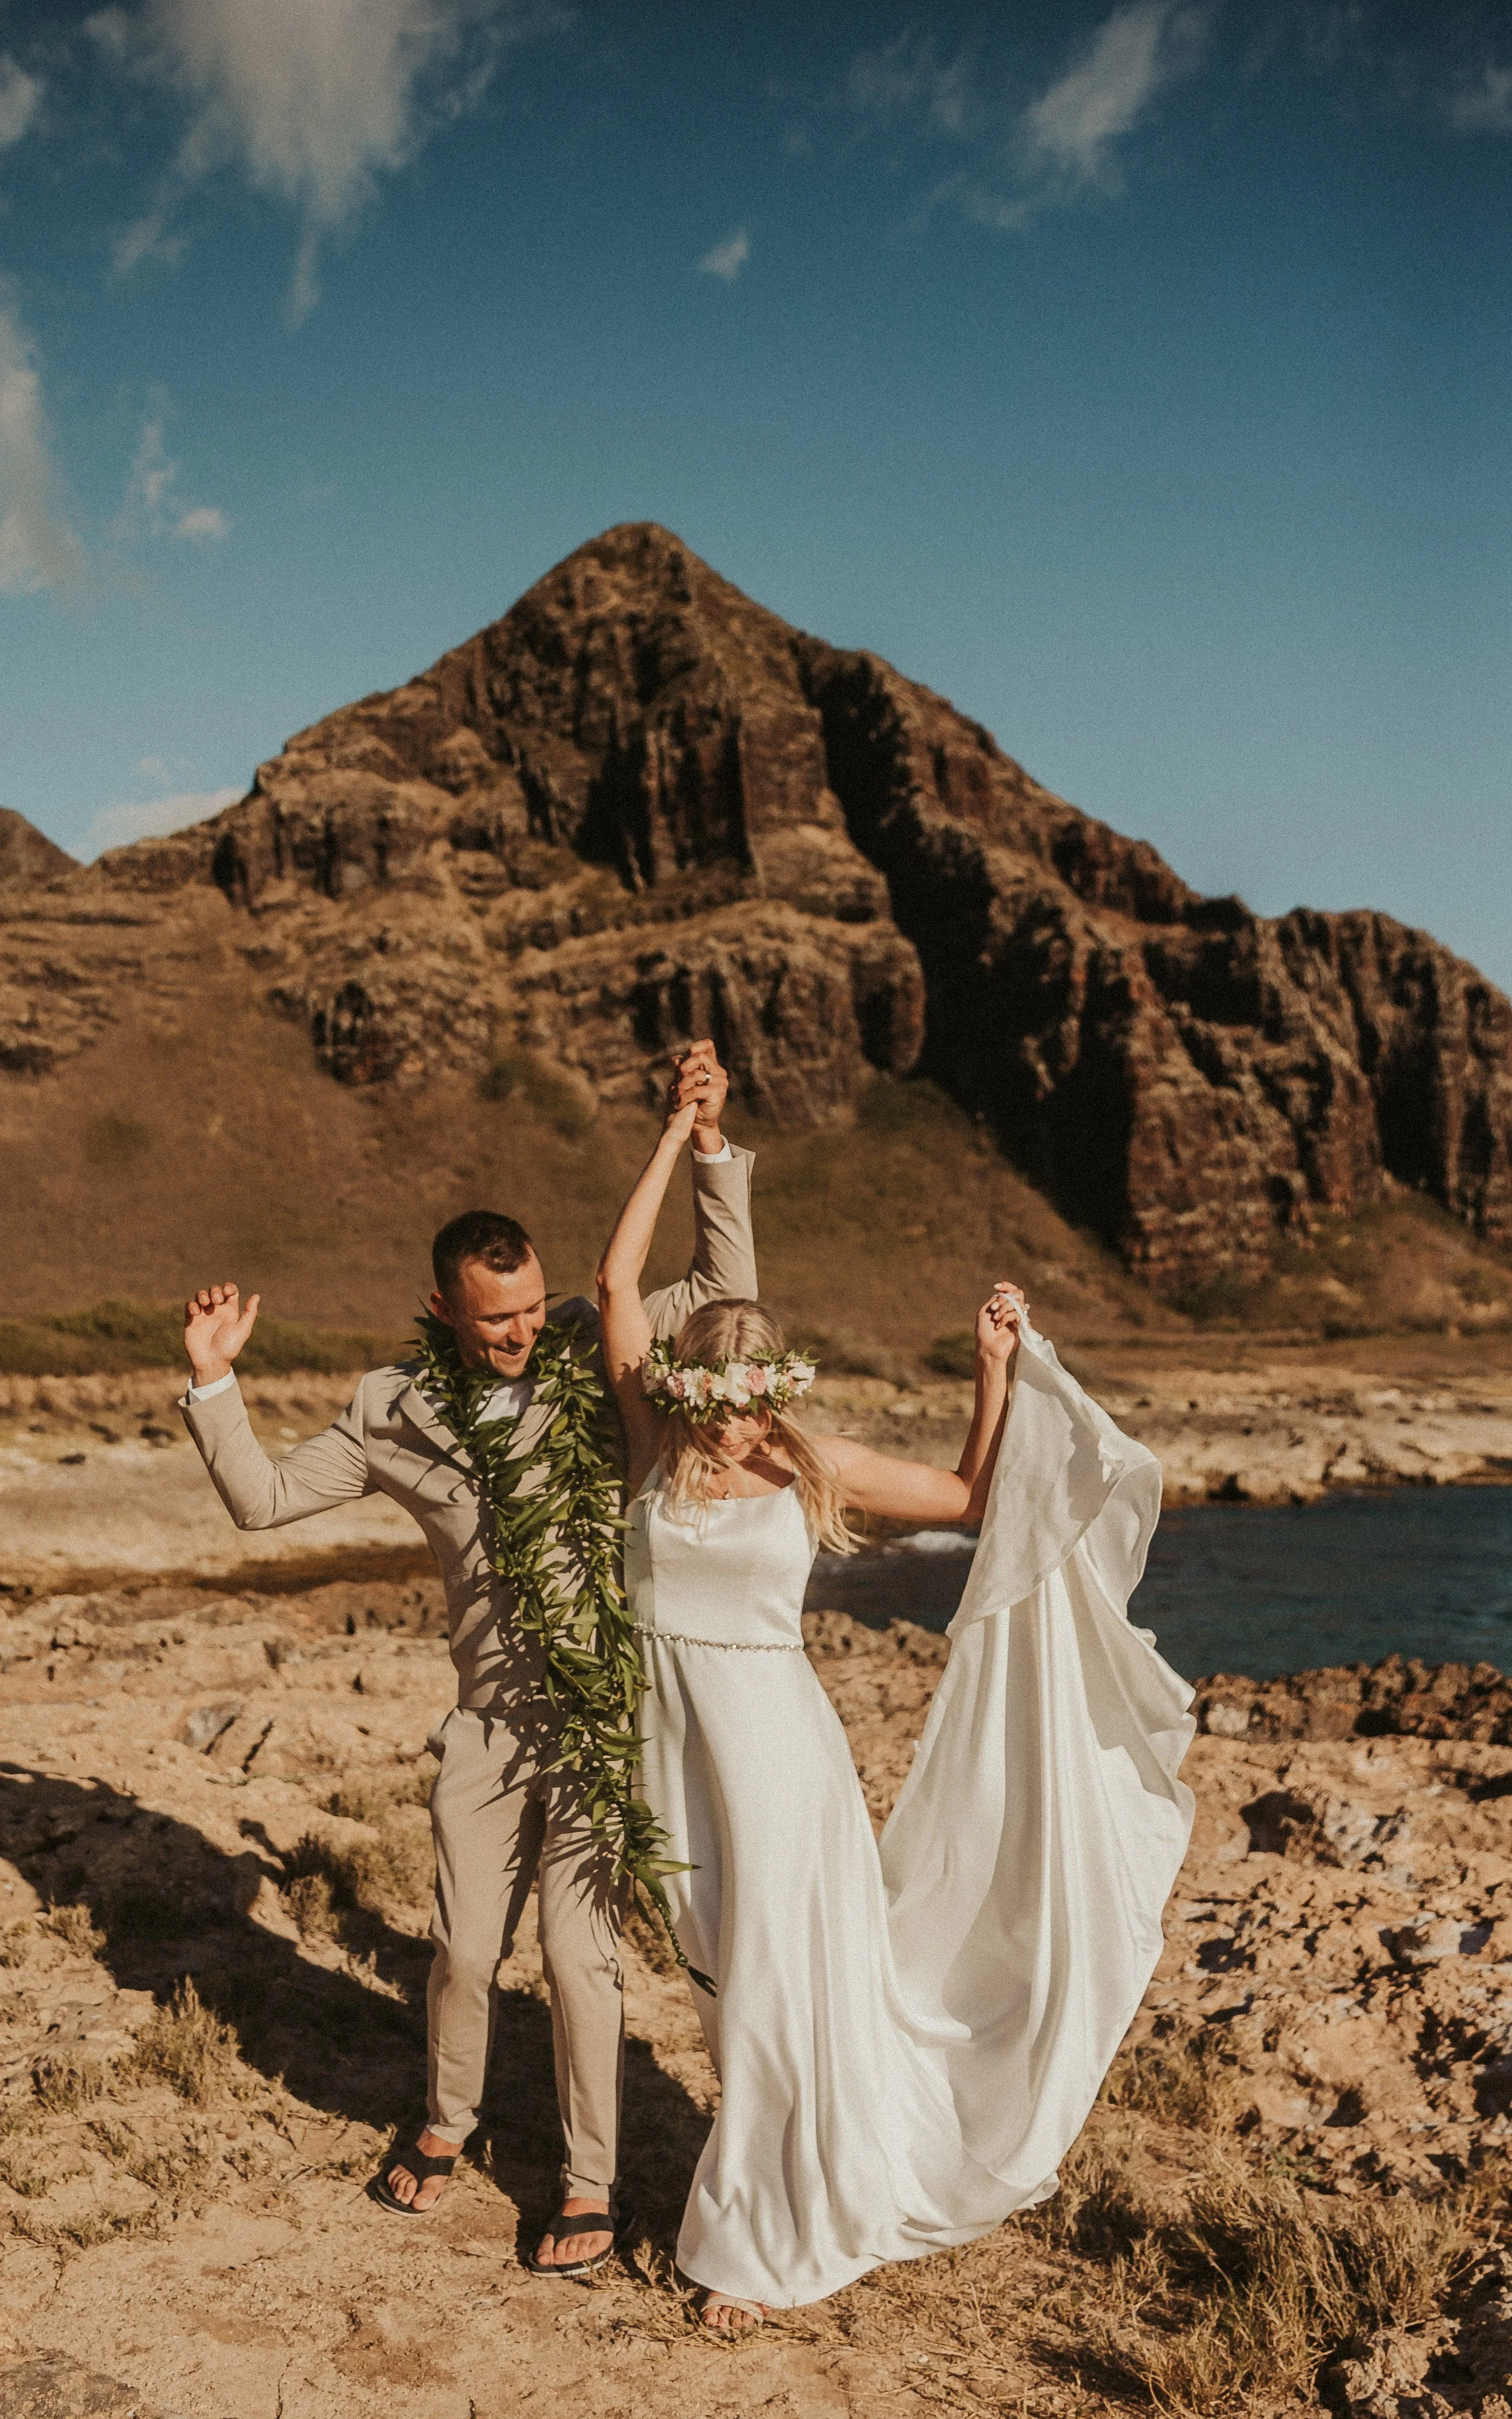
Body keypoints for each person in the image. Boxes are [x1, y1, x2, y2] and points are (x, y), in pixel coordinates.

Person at [595, 1086, 1198, 2334]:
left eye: (752, 1392)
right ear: (689, 1380)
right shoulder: (653, 1440)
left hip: (774, 1758)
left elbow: (975, 1497)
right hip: (670, 1754)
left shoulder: (809, 1460)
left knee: (763, 1982)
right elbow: (613, 1280)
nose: (738, 1415)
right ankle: (792, 2165)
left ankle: (754, 2242)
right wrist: (673, 1131)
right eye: (721, 1391)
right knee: (719, 1983)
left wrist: (990, 1369)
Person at [178, 1041, 757, 2276]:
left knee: (576, 1950)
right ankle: (447, 2122)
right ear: (443, 1307)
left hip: (601, 1713)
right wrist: (215, 1387)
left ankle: (589, 2183)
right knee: (458, 1942)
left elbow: (714, 1278)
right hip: (486, 1721)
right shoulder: (390, 1407)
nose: (513, 1334)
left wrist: (706, 1144)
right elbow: (266, 1501)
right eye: (489, 1318)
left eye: (525, 1309)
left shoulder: (585, 1353)